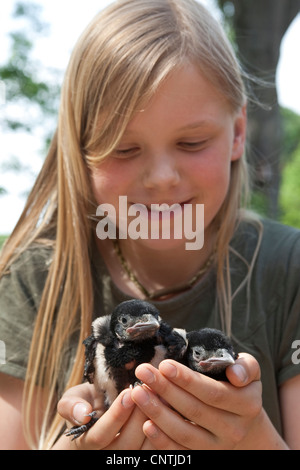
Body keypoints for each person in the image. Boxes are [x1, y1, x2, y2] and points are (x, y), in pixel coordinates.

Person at [0, 0, 299, 450]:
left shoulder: (289, 270)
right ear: (80, 154)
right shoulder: (34, 281)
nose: (161, 177)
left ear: (238, 133)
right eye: (123, 149)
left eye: (191, 142)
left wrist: (252, 438)